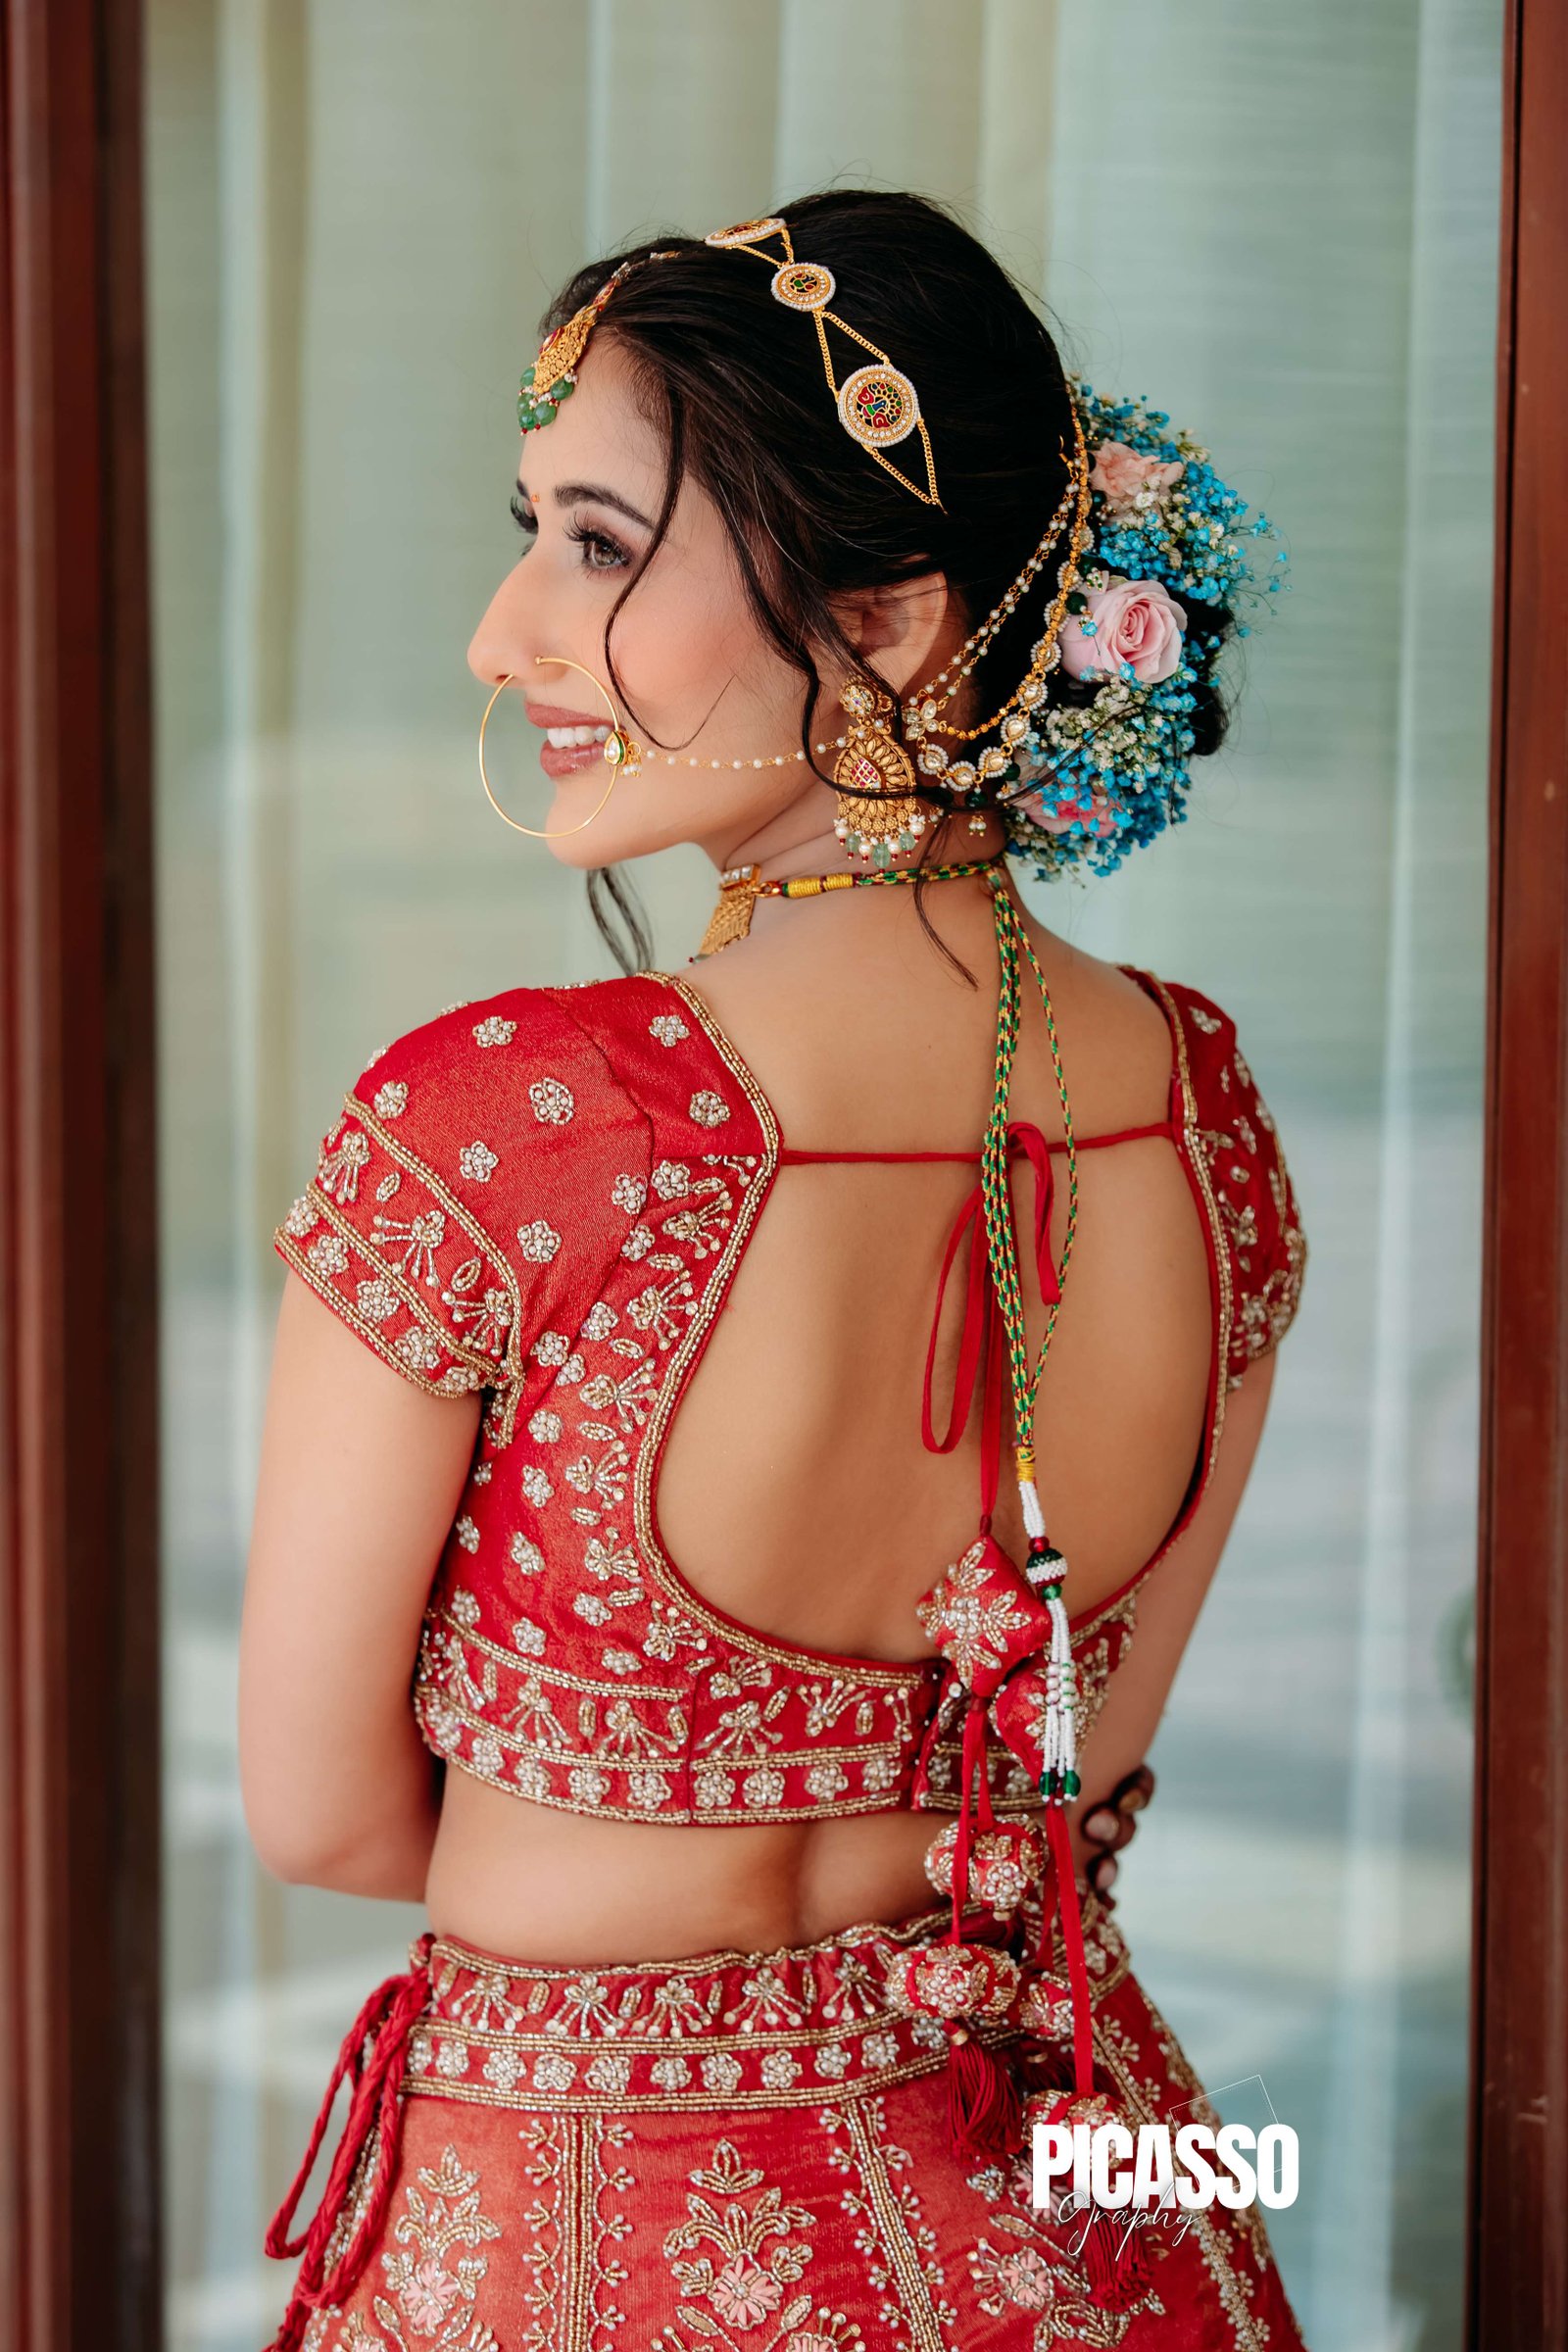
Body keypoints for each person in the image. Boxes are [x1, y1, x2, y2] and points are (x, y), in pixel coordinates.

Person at [242, 188, 1308, 2352]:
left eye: (598, 547)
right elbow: (1076, 1779)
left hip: (580, 2234)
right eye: (535, 534)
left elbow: (322, 1813)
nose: (502, 634)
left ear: (893, 619)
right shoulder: (1198, 1117)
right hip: (1085, 2211)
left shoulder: (514, 1132)